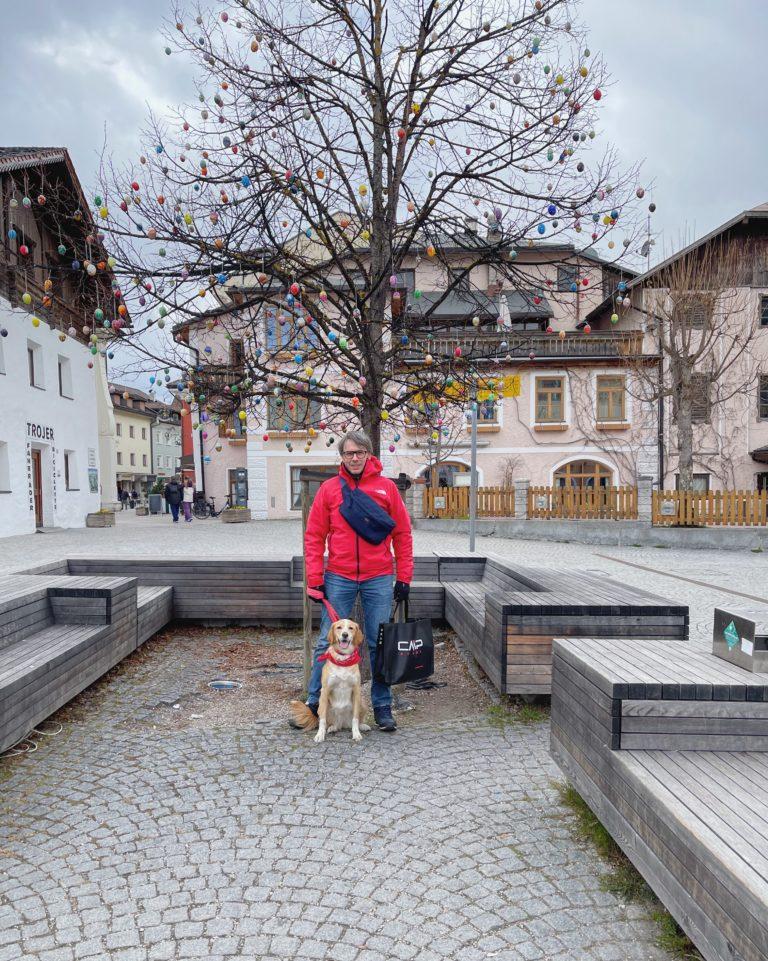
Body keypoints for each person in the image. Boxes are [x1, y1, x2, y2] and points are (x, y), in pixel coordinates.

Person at [297, 429, 413, 733]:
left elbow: (402, 535)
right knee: (327, 639)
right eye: (349, 453)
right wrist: (314, 579)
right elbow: (313, 536)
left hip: (378, 576)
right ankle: (314, 703)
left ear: (369, 454)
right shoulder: (329, 490)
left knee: (378, 643)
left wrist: (404, 576)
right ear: (342, 457)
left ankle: (382, 706)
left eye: (360, 452)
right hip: (339, 575)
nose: (355, 458)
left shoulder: (387, 489)